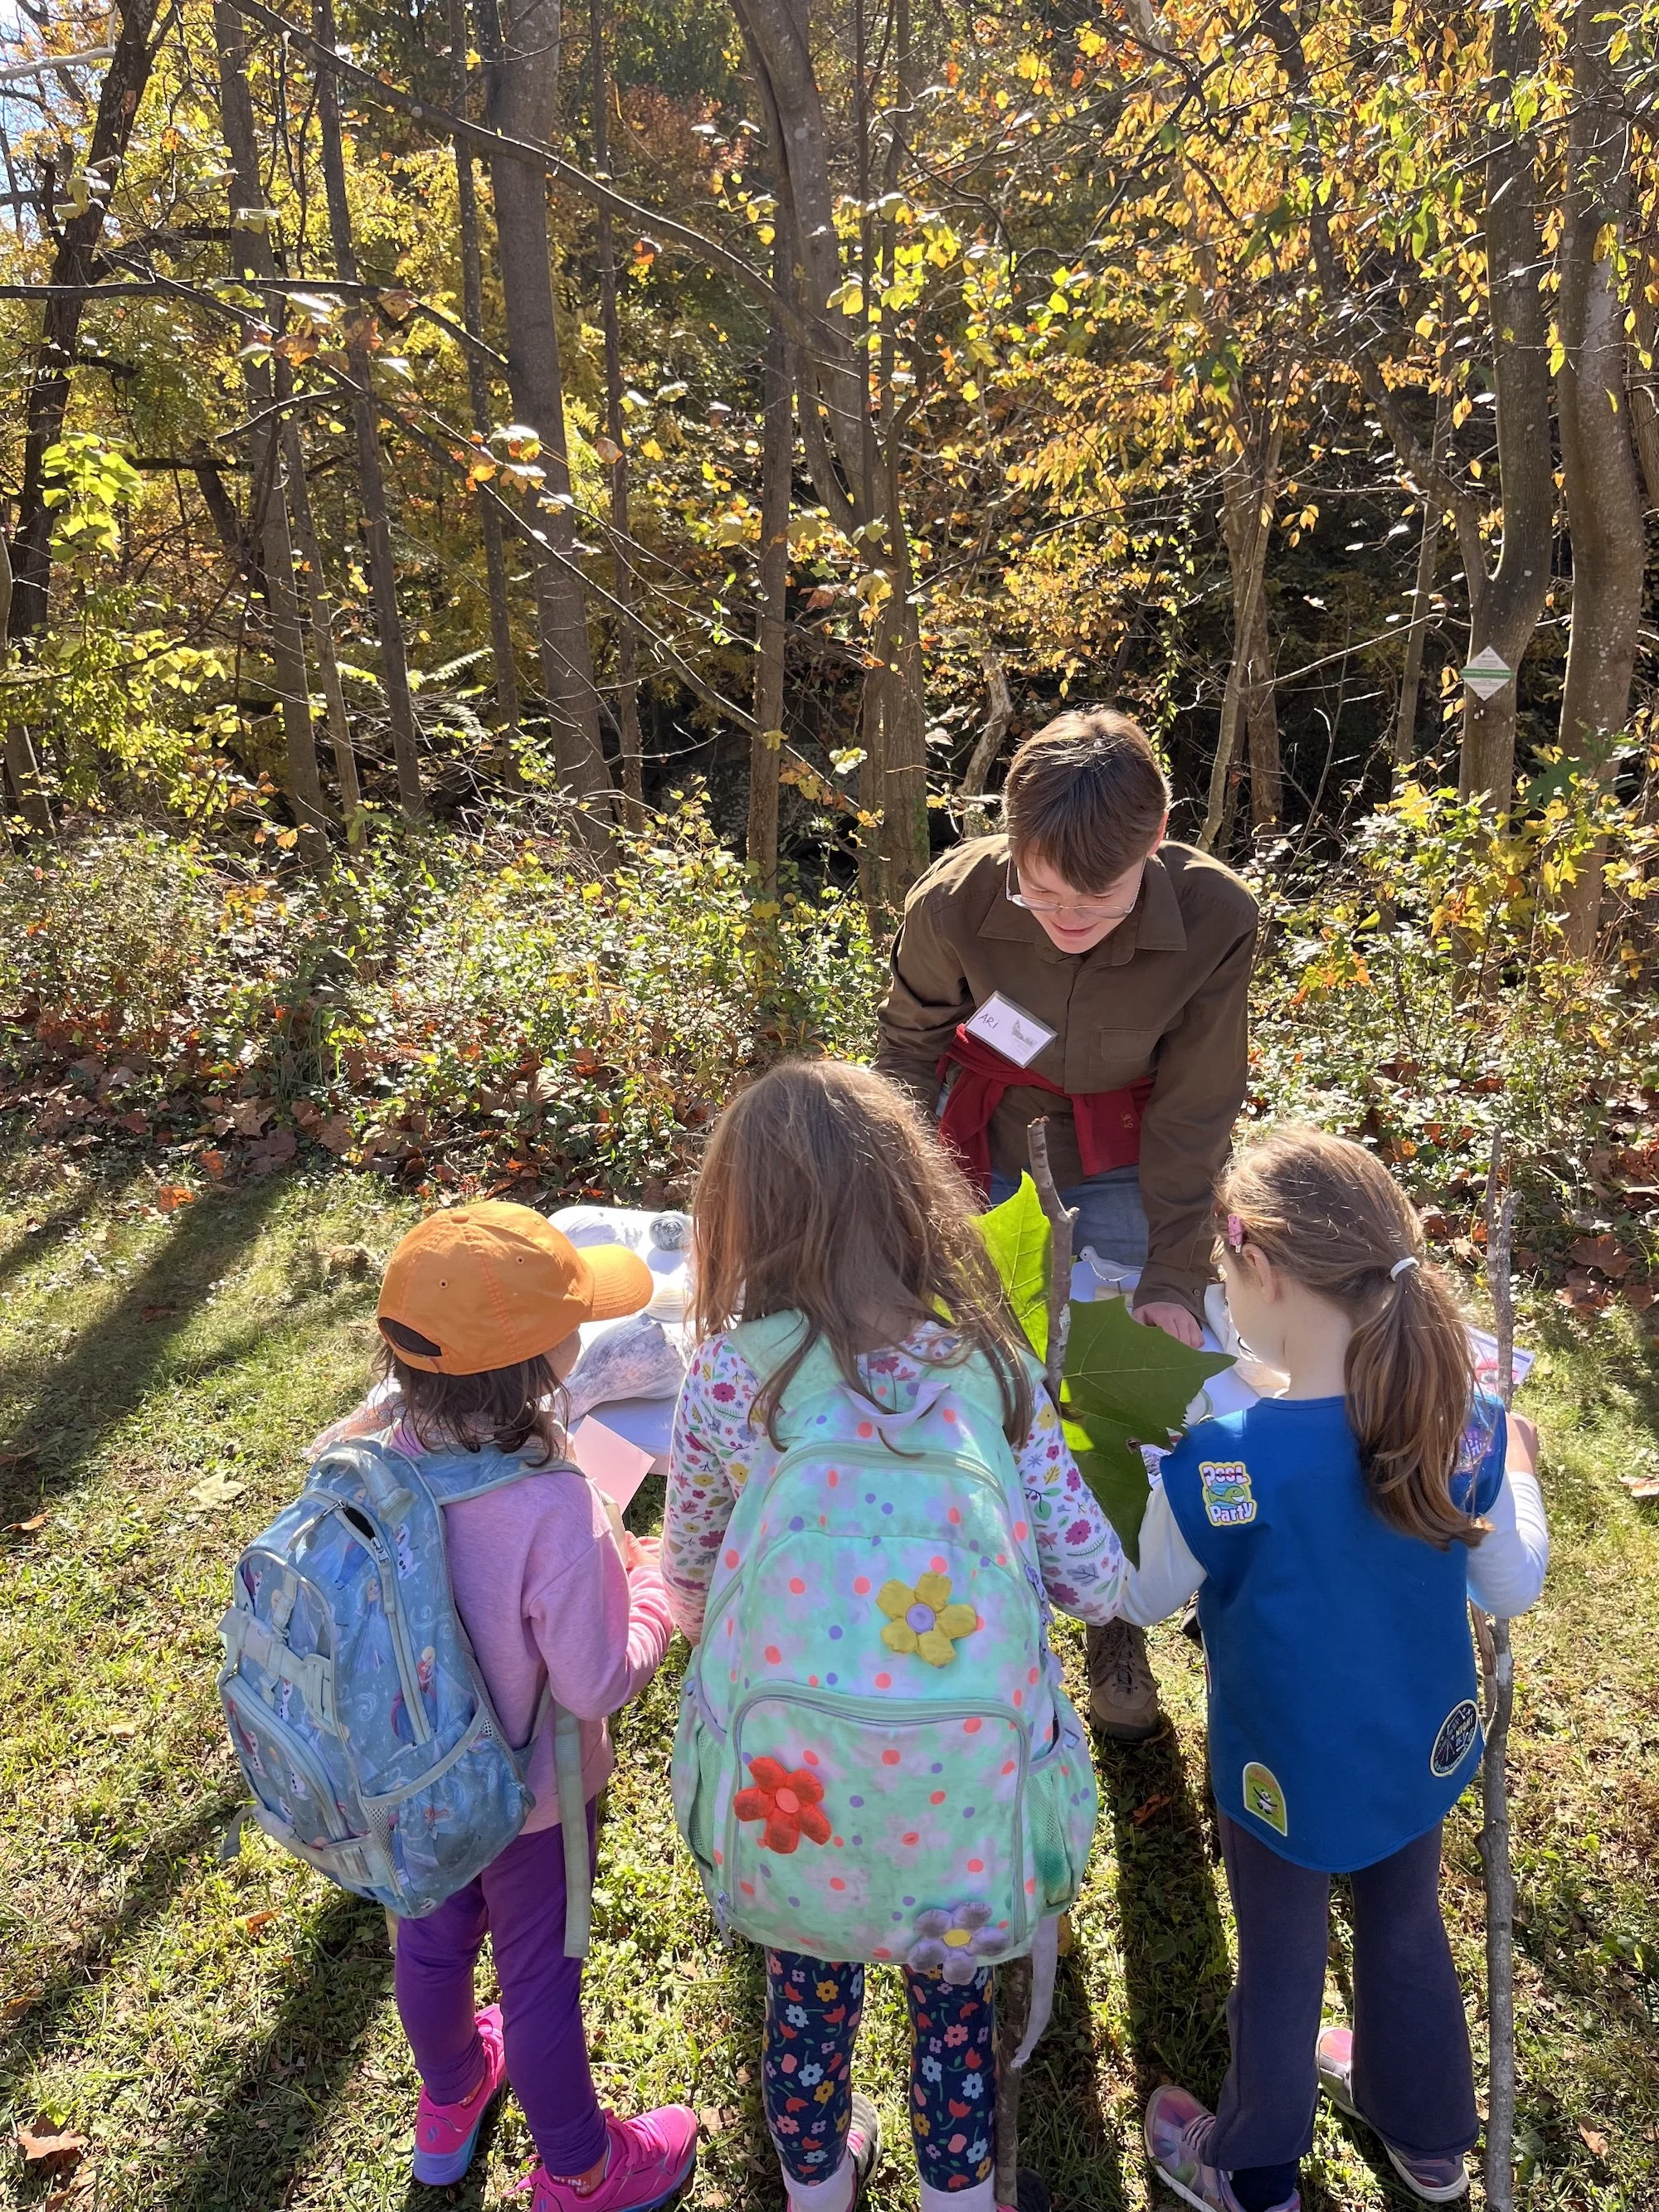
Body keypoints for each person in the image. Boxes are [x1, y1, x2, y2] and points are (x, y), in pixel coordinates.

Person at [662, 1060, 1126, 2212]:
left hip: (793, 1784)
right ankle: (960, 2192)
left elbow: (688, 1564)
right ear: (918, 1196)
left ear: (744, 1216)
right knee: (953, 1998)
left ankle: (818, 2185)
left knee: (807, 1990)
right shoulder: (991, 1368)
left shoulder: (733, 1374)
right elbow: (1091, 1574)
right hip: (957, 1789)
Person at [1120, 1130, 1549, 2212]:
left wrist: (1144, 1491)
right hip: (1417, 1747)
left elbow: (1139, 1595)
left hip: (1284, 1767)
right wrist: (1526, 1475)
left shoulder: (1222, 1460)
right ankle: (1432, 2137)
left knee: (1280, 1959)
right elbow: (1509, 1587)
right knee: (1406, 1923)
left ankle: (1251, 2165)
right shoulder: (1463, 1422)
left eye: (1223, 1276)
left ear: (1257, 1268)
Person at [873, 707, 1259, 1741]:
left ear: (1158, 835)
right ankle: (977, 1588)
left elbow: (1194, 1111)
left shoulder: (1217, 918)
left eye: (1094, 898)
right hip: (981, 1141)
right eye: (1037, 893)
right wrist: (904, 1198)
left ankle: (1112, 1604)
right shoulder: (953, 899)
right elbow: (906, 1052)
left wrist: (1175, 1279)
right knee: (974, 1363)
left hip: (1129, 1151)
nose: (1063, 919)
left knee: (1131, 1368)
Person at [313, 1203, 698, 2212]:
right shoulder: (550, 1504)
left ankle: (447, 2105)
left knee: (432, 1946)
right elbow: (595, 1682)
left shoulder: (365, 1456)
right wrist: (653, 1590)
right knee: (537, 1981)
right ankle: (582, 2165)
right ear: (545, 1361)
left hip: (405, 1789)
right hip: (527, 1803)